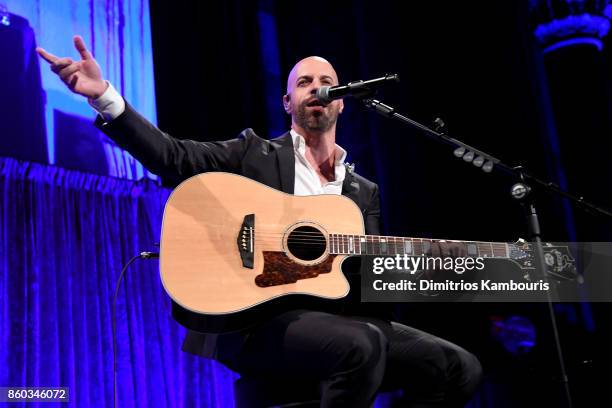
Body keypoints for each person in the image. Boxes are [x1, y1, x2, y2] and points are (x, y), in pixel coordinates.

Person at [37, 35, 482, 407]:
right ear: (288, 101)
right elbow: (172, 156)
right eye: (305, 82)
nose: (317, 88)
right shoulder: (253, 155)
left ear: (342, 103)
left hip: (342, 320)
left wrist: (423, 266)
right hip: (254, 321)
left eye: (327, 82)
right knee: (362, 343)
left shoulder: (362, 191)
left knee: (460, 368)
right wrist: (105, 98)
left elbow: (368, 282)